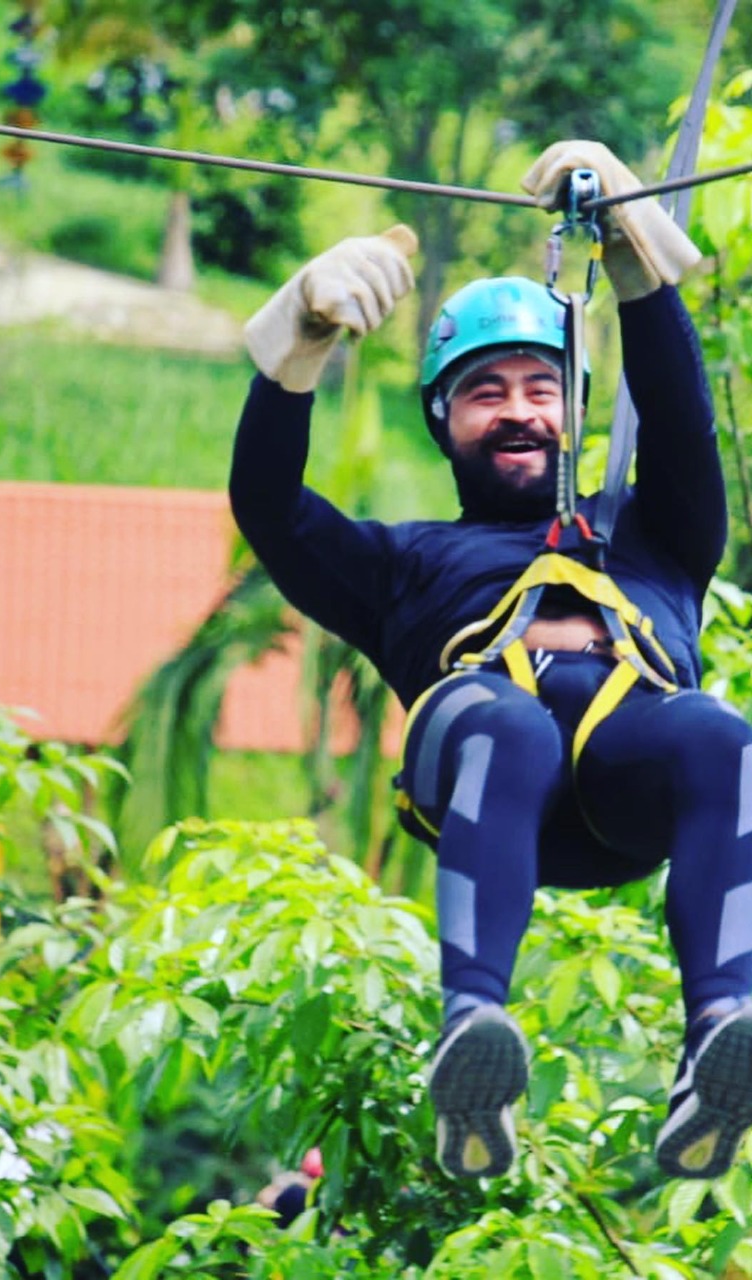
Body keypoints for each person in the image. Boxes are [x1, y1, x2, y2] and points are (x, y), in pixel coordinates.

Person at [229, 139, 752, 1182]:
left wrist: (631, 258)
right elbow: (271, 512)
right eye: (485, 392)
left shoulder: (658, 534)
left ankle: (720, 1042)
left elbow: (684, 422)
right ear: (444, 422)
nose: (518, 408)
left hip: (623, 786)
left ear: (577, 411)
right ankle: (472, 1034)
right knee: (506, 721)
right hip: (483, 776)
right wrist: (293, 344)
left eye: (540, 386)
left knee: (719, 732)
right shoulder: (405, 562)